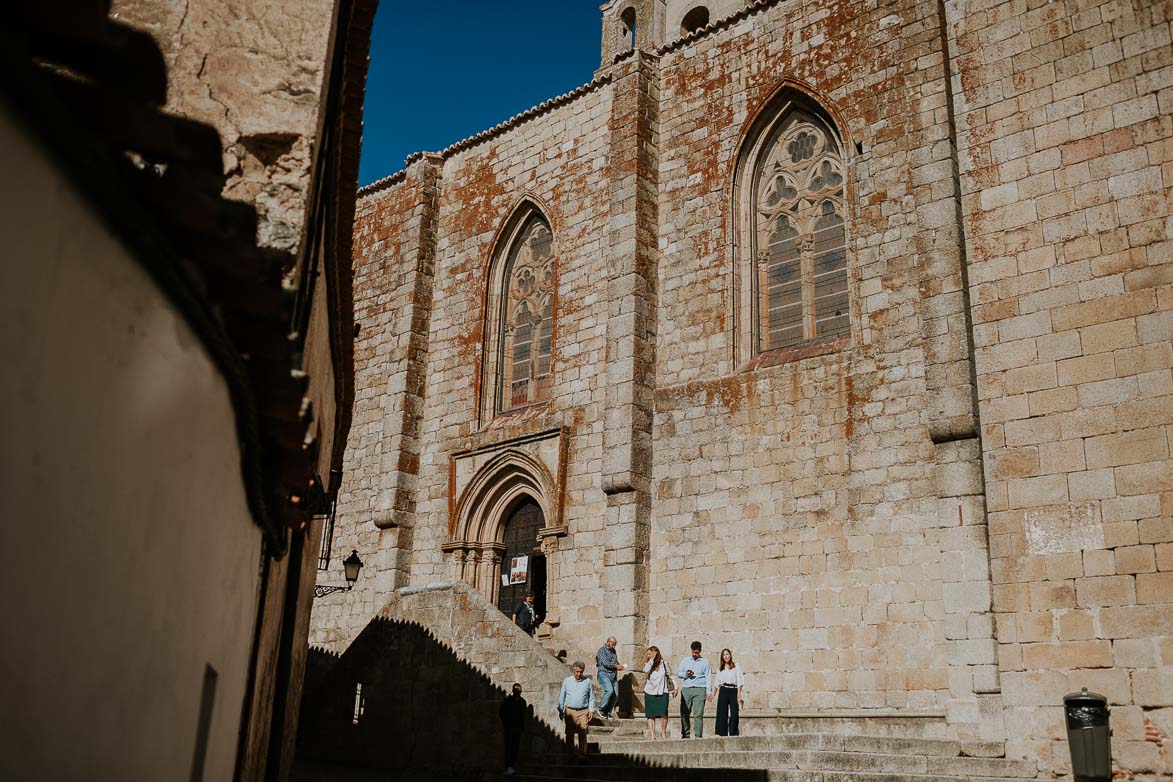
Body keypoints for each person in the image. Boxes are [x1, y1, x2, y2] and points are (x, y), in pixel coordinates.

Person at [557, 661, 596, 760]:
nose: (579, 674)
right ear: (573, 670)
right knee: (569, 734)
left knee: (582, 733)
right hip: (570, 710)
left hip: (583, 711)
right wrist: (561, 710)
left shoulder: (587, 682)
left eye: (581, 672)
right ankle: (570, 755)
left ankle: (582, 755)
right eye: (577, 671)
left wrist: (591, 710)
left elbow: (591, 697)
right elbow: (562, 696)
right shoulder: (567, 681)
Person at [677, 640, 711, 738]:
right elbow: (679, 673)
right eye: (693, 652)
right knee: (684, 713)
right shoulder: (685, 661)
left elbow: (708, 677)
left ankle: (698, 736)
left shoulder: (705, 662)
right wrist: (686, 674)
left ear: (700, 651)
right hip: (687, 689)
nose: (694, 654)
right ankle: (685, 735)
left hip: (700, 689)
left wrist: (709, 692)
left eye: (696, 652)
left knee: (698, 714)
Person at [641, 645, 675, 739]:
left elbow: (670, 675)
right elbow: (645, 671)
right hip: (650, 691)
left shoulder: (664, 663)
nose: (648, 655)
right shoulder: (648, 664)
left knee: (663, 713)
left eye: (650, 653)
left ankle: (663, 733)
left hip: (663, 691)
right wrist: (651, 660)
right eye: (648, 654)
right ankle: (652, 735)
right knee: (650, 715)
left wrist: (675, 687)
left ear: (656, 653)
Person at [712, 648, 746, 736]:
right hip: (723, 690)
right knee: (722, 713)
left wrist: (739, 694)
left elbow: (740, 680)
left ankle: (733, 733)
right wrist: (713, 695)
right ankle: (722, 734)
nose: (726, 656)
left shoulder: (736, 666)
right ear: (722, 657)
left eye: (727, 654)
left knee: (734, 713)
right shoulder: (720, 668)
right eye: (724, 655)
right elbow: (717, 683)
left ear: (730, 655)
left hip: (733, 690)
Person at [499, 683, 527, 775]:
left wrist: (522, 727)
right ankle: (508, 767)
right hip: (509, 729)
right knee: (508, 748)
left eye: (519, 691)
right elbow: (502, 713)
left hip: (517, 729)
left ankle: (512, 767)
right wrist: (506, 724)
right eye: (517, 691)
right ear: (513, 691)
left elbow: (524, 715)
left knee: (515, 748)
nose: (518, 693)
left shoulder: (522, 702)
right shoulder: (508, 701)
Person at [595, 636, 625, 719]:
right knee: (609, 691)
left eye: (615, 644)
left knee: (615, 695)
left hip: (613, 675)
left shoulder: (613, 651)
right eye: (613, 644)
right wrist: (616, 666)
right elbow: (605, 663)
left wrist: (620, 666)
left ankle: (607, 712)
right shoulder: (602, 650)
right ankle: (600, 710)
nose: (614, 646)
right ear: (608, 641)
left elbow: (615, 661)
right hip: (604, 674)